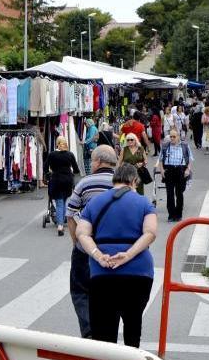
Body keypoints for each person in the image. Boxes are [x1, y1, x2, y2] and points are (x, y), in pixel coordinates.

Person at [75, 163, 158, 348]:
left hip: (102, 273)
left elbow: (82, 234)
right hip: (138, 273)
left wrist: (98, 255)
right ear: (134, 181)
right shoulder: (144, 202)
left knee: (104, 335)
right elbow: (151, 233)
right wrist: (128, 255)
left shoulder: (94, 203)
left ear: (114, 180)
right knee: (133, 323)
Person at [65, 145, 118, 339]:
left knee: (80, 290)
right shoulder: (123, 183)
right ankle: (107, 334)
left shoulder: (84, 183)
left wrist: (76, 241)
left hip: (86, 249)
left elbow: (70, 215)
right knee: (109, 293)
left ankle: (89, 333)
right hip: (115, 250)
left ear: (96, 162)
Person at [45, 137, 81, 236]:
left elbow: (45, 167)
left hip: (56, 180)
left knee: (59, 203)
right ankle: (63, 220)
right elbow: (76, 169)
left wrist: (48, 173)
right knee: (64, 201)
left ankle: (60, 226)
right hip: (67, 181)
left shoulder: (52, 155)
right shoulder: (70, 155)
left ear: (57, 144)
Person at [155, 129, 192, 221]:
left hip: (180, 170)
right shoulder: (165, 146)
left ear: (178, 137)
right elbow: (160, 159)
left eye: (174, 137)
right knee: (170, 194)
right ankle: (171, 215)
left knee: (179, 194)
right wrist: (162, 170)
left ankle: (178, 215)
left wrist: (188, 169)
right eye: (170, 136)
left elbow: (190, 158)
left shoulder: (185, 145)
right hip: (169, 170)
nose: (172, 138)